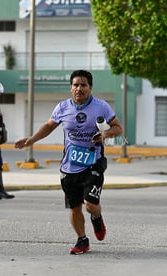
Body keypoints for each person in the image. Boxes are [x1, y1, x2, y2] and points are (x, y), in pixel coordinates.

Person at [14, 70, 123, 254]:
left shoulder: (101, 107)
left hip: (93, 162)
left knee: (90, 203)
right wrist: (31, 139)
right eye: (75, 85)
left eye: (83, 85)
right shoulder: (63, 107)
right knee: (74, 207)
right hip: (69, 166)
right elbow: (49, 126)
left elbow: (118, 128)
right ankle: (82, 240)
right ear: (71, 87)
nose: (79, 89)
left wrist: (105, 134)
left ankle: (97, 217)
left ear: (90, 87)